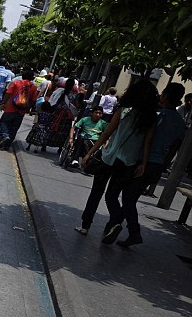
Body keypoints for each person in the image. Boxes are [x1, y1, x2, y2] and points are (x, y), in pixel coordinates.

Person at [76, 79, 159, 243]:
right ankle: (114, 221)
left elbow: (106, 134)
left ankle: (85, 226)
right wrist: (143, 163)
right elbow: (147, 143)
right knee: (112, 195)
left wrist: (89, 153)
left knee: (96, 191)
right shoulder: (151, 118)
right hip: (128, 162)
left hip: (109, 157)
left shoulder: (123, 110)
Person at [143, 83, 187, 198]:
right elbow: (174, 147)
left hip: (143, 159)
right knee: (132, 197)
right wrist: (165, 164)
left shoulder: (158, 115)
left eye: (162, 94)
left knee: (128, 197)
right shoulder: (180, 123)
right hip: (159, 162)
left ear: (165, 96)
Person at [0, 68, 38, 150]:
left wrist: (3, 103)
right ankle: (7, 146)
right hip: (21, 111)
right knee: (14, 128)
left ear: (22, 76)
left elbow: (8, 94)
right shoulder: (33, 87)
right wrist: (28, 109)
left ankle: (4, 135)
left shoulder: (16, 83)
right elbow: (33, 100)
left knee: (3, 122)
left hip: (10, 108)